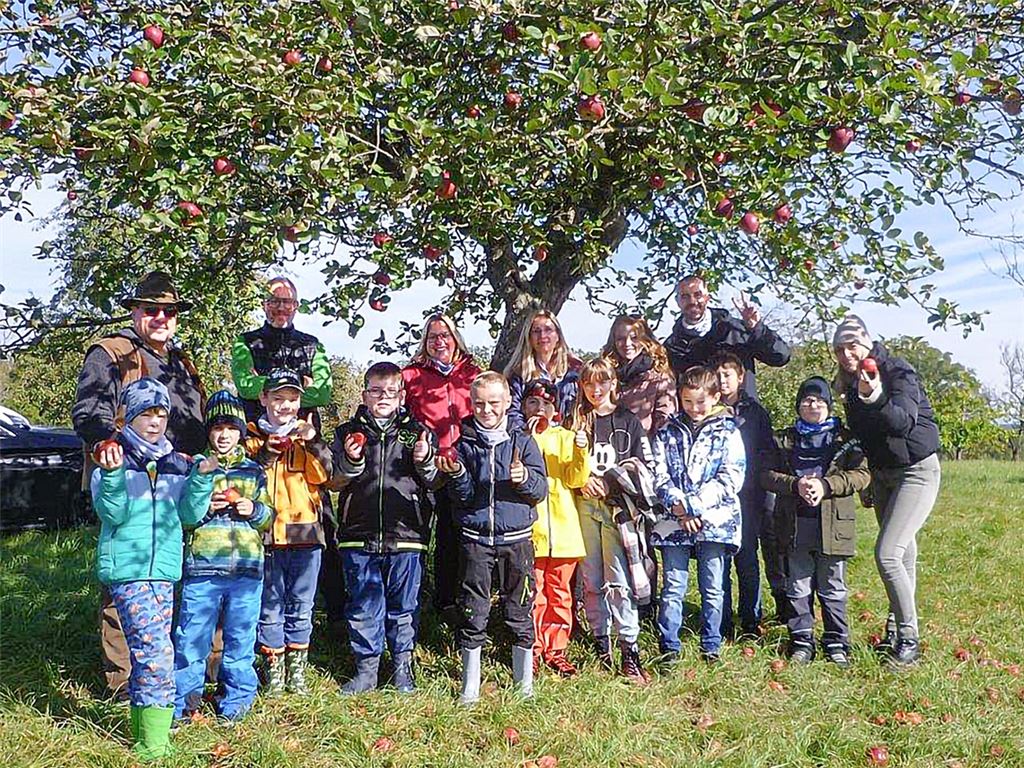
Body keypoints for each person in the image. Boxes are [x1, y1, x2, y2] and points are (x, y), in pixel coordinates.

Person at [72, 270, 207, 700]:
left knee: (173, 580)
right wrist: (106, 447)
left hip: (176, 485)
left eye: (170, 311)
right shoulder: (111, 352)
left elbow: (197, 423)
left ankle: (173, 680)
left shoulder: (183, 362)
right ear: (135, 312)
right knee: (123, 586)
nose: (161, 318)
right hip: (125, 483)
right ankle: (124, 685)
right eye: (152, 310)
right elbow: (90, 411)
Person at [91, 378, 216, 760]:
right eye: (146, 414)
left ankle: (144, 732)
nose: (155, 422)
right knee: (157, 653)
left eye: (161, 414)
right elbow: (112, 514)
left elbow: (189, 516)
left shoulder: (177, 463)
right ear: (128, 417)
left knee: (151, 653)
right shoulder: (113, 459)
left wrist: (201, 480)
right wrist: (112, 475)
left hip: (164, 571)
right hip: (128, 571)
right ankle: (155, 747)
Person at [230, 276, 343, 639]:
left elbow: (322, 392)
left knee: (321, 523)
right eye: (274, 301)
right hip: (258, 437)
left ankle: (333, 615)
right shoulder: (245, 342)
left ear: (296, 306)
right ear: (264, 305)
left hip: (304, 441)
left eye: (287, 302)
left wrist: (277, 387)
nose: (281, 307)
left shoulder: (312, 344)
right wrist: (293, 385)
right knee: (257, 517)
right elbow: (244, 385)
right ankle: (258, 627)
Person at [832, 315, 941, 668]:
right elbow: (865, 436)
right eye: (839, 349)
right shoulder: (850, 384)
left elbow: (902, 422)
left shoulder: (897, 371)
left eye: (852, 345)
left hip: (916, 471)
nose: (847, 354)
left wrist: (875, 395)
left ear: (867, 341)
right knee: (903, 555)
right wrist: (866, 480)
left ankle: (909, 640)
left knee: (888, 554)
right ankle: (894, 631)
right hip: (882, 475)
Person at [436, 371, 548, 705]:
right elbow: (463, 497)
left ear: (508, 402)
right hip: (476, 540)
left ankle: (524, 685)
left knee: (520, 609)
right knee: (473, 610)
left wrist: (524, 478)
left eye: (494, 403)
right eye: (480, 404)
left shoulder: (523, 441)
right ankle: (470, 687)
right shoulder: (464, 444)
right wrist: (457, 474)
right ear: (471, 404)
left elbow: (540, 491)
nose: (486, 410)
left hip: (517, 541)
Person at [329, 362, 439, 695]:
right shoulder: (346, 433)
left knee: (404, 606)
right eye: (376, 391)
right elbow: (333, 482)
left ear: (402, 396)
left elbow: (434, 481)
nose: (383, 397)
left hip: (407, 537)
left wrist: (425, 460)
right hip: (358, 536)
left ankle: (403, 668)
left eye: (391, 391)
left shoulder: (418, 432)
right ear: (364, 395)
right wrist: (351, 462)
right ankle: (367, 670)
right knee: (364, 605)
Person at [174, 391, 273, 725]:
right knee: (191, 639)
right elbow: (186, 516)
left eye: (231, 428)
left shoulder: (254, 472)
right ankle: (184, 704)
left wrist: (253, 509)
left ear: (241, 432)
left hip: (246, 571)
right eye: (217, 427)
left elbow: (268, 517)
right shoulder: (197, 467)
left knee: (241, 639)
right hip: (203, 569)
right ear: (209, 431)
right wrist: (206, 508)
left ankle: (236, 704)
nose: (224, 435)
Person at [761, 377, 870, 668]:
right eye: (807, 400)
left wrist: (826, 485)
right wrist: (795, 485)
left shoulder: (846, 440)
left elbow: (862, 475)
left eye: (820, 400)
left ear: (829, 405)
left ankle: (836, 641)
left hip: (834, 524)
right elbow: (765, 475)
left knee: (833, 586)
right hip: (794, 524)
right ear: (798, 405)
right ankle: (801, 640)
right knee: (797, 585)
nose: (813, 405)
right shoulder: (783, 439)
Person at [244, 369, 333, 694]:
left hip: (305, 536)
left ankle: (297, 673)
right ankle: (274, 674)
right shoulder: (250, 437)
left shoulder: (306, 435)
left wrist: (313, 441)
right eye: (278, 398)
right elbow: (246, 476)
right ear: (264, 399)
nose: (285, 405)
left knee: (301, 605)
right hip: (265, 535)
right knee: (270, 606)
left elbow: (326, 475)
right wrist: (267, 452)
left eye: (292, 399)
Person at [651, 366, 745, 663]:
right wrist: (679, 507)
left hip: (714, 520)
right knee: (673, 585)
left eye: (700, 402)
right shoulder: (667, 431)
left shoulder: (728, 431)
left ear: (716, 397)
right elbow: (659, 474)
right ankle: (669, 645)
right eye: (687, 401)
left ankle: (711, 643)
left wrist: (695, 506)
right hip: (673, 520)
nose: (694, 408)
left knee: (713, 586)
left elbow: (731, 476)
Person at [572, 358, 655, 685]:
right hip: (584, 507)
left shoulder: (627, 421)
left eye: (602, 382)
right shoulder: (577, 420)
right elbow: (564, 462)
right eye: (589, 384)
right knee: (591, 577)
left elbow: (644, 467)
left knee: (619, 579)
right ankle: (600, 642)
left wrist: (611, 482)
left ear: (613, 384)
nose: (596, 390)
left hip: (617, 510)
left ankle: (629, 650)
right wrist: (581, 481)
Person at [402, 314, 482, 621]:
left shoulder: (472, 373)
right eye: (433, 336)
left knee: (454, 536)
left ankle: (449, 600)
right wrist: (418, 445)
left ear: (455, 339)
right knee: (418, 535)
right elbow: (402, 422)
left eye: (445, 335)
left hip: (461, 466)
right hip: (423, 467)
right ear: (425, 342)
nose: (440, 342)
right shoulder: (411, 375)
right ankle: (413, 599)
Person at [522, 380, 590, 677]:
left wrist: (581, 450)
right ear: (523, 407)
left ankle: (557, 648)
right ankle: (534, 648)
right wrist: (526, 440)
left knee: (560, 593)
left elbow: (577, 479)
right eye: (533, 403)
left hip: (564, 533)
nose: (540, 409)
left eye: (547, 404)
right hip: (532, 531)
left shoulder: (565, 437)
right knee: (534, 593)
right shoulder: (518, 437)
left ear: (556, 409)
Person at [711, 352, 778, 636]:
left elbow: (766, 451)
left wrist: (760, 486)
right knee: (719, 560)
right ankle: (722, 621)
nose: (722, 380)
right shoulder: (707, 409)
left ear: (741, 377)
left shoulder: (755, 412)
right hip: (716, 497)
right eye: (717, 375)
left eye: (727, 375)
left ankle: (751, 619)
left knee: (747, 556)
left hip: (748, 496)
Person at [663, 275, 790, 398]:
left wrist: (757, 328)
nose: (692, 301)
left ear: (707, 298)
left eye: (698, 295)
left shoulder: (736, 330)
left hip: (744, 411)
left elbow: (780, 357)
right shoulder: (672, 346)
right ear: (678, 301)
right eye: (685, 296)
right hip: (699, 412)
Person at [504, 309, 582, 430]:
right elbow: (513, 414)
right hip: (530, 436)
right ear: (529, 338)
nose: (542, 336)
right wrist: (528, 433)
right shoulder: (519, 374)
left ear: (558, 336)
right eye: (536, 331)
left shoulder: (576, 371)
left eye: (548, 330)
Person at [601, 314, 676, 434]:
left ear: (645, 340)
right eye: (620, 338)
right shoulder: (605, 376)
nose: (627, 343)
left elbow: (665, 426)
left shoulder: (660, 379)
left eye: (634, 338)